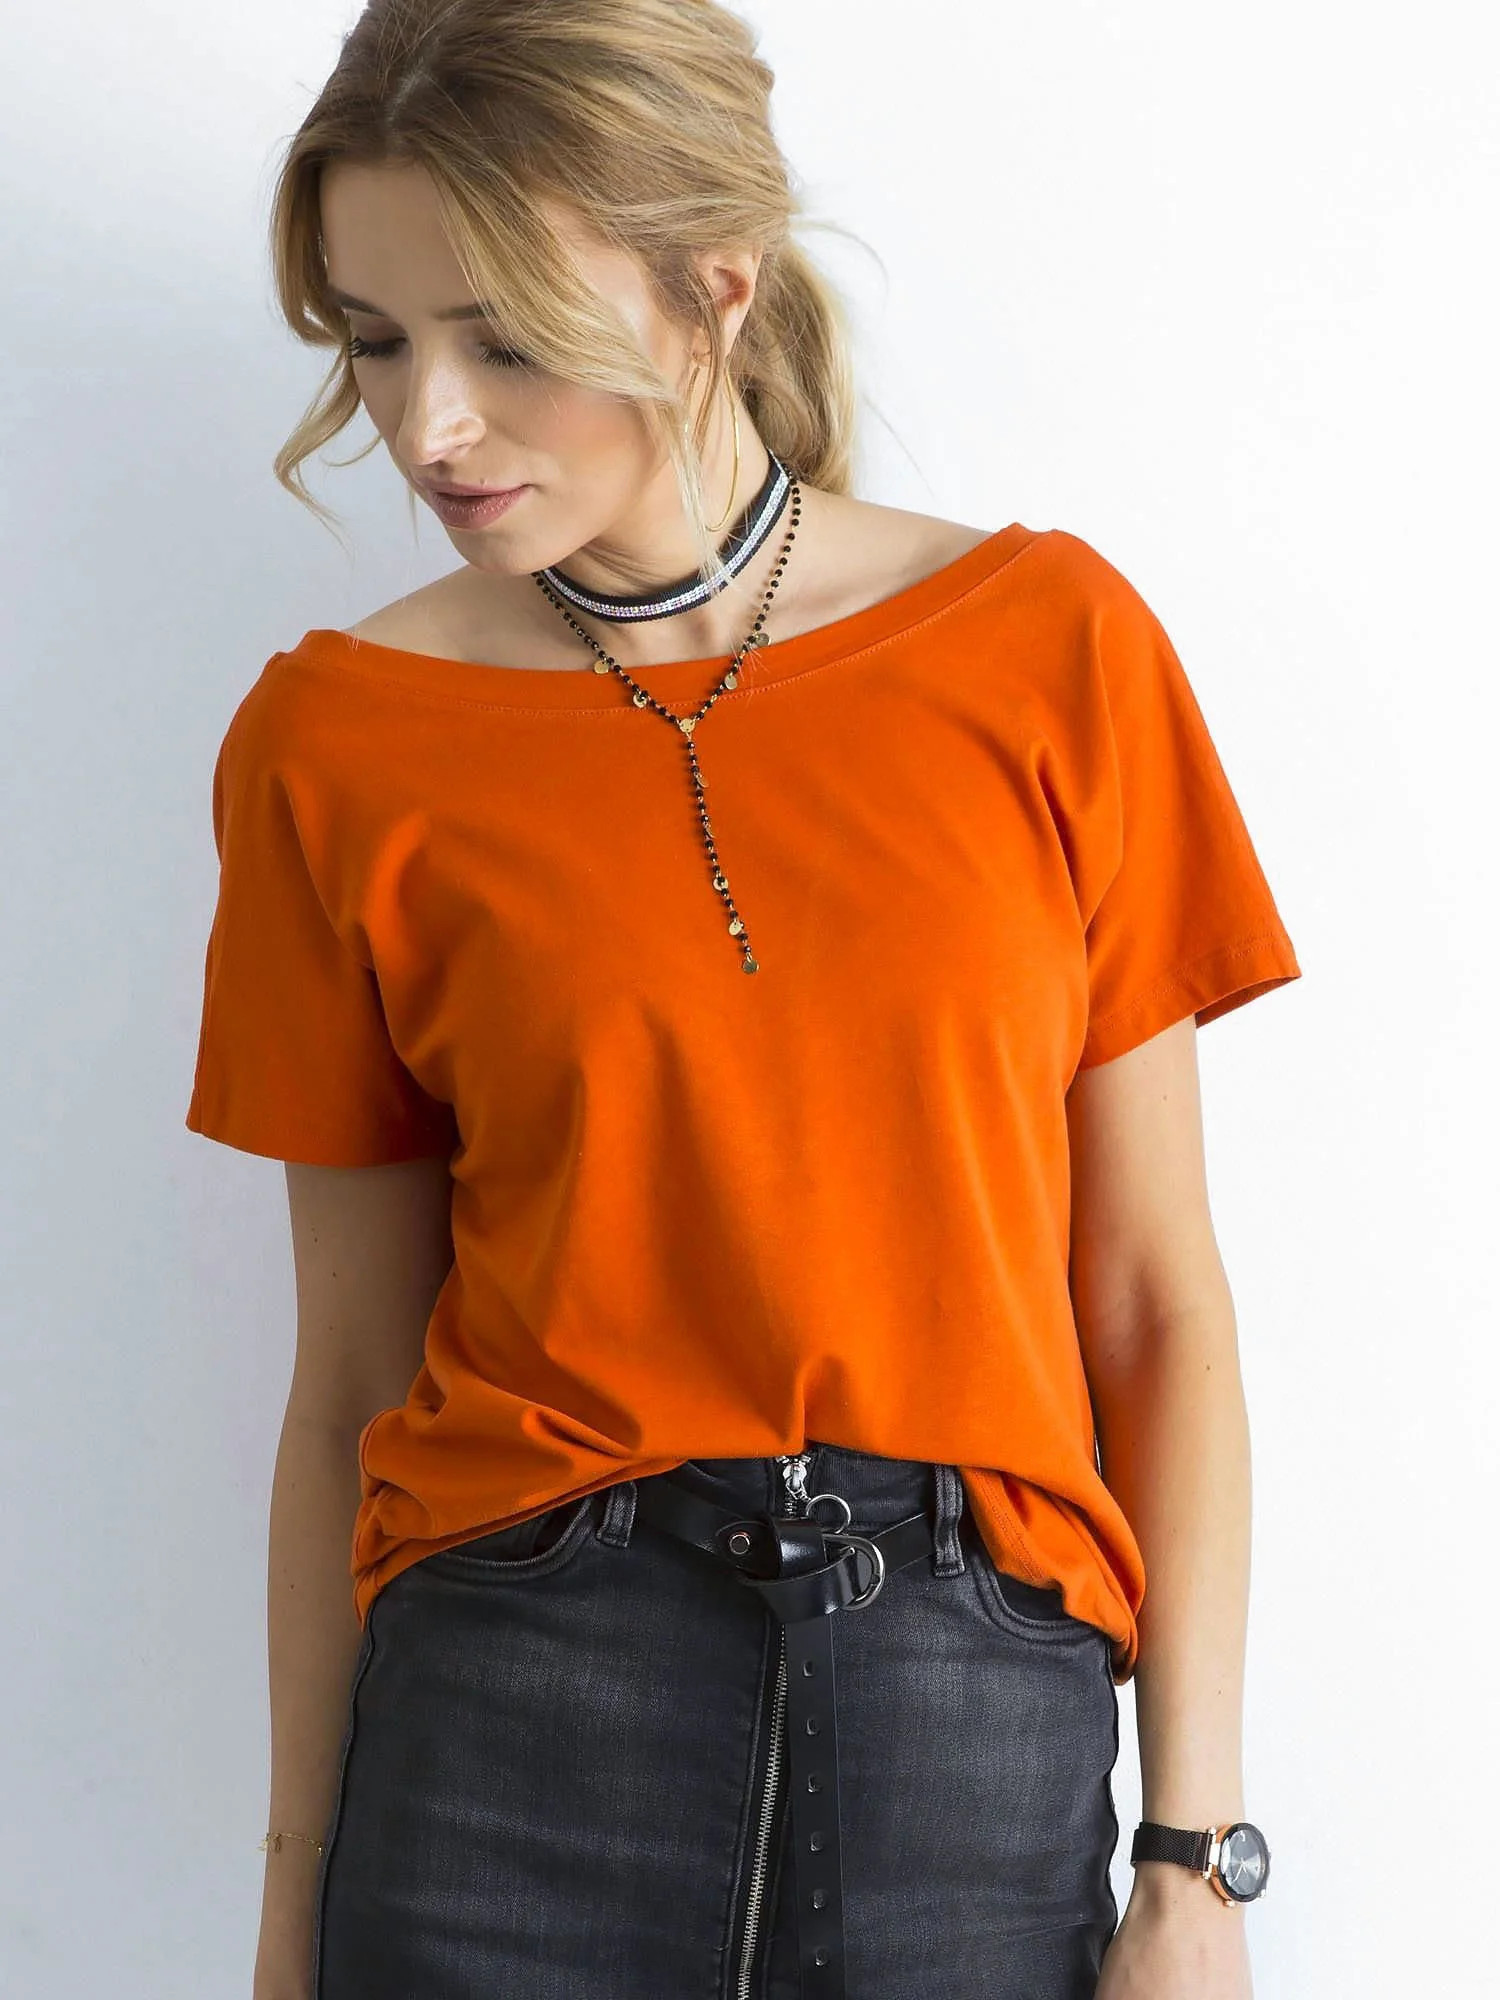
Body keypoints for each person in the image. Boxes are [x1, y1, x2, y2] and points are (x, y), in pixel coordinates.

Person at [183, 5, 1300, 1998]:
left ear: (717, 285)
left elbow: (1153, 1300)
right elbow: (346, 1383)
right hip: (508, 1721)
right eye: (375, 339)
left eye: (503, 339)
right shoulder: (339, 744)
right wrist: (290, 1912)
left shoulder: (1051, 651)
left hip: (972, 1733)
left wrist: (1194, 1862)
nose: (429, 427)